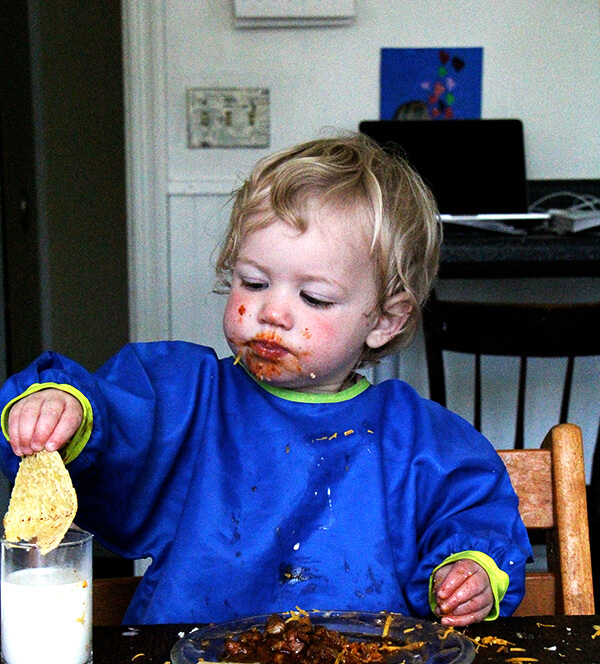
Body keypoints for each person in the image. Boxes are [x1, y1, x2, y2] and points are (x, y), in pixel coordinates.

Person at [0, 133, 531, 627]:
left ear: (385, 320)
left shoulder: (416, 438)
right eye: (253, 282)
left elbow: (474, 512)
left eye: (314, 297)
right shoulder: (189, 401)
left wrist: (471, 572)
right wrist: (61, 407)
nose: (271, 312)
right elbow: (116, 414)